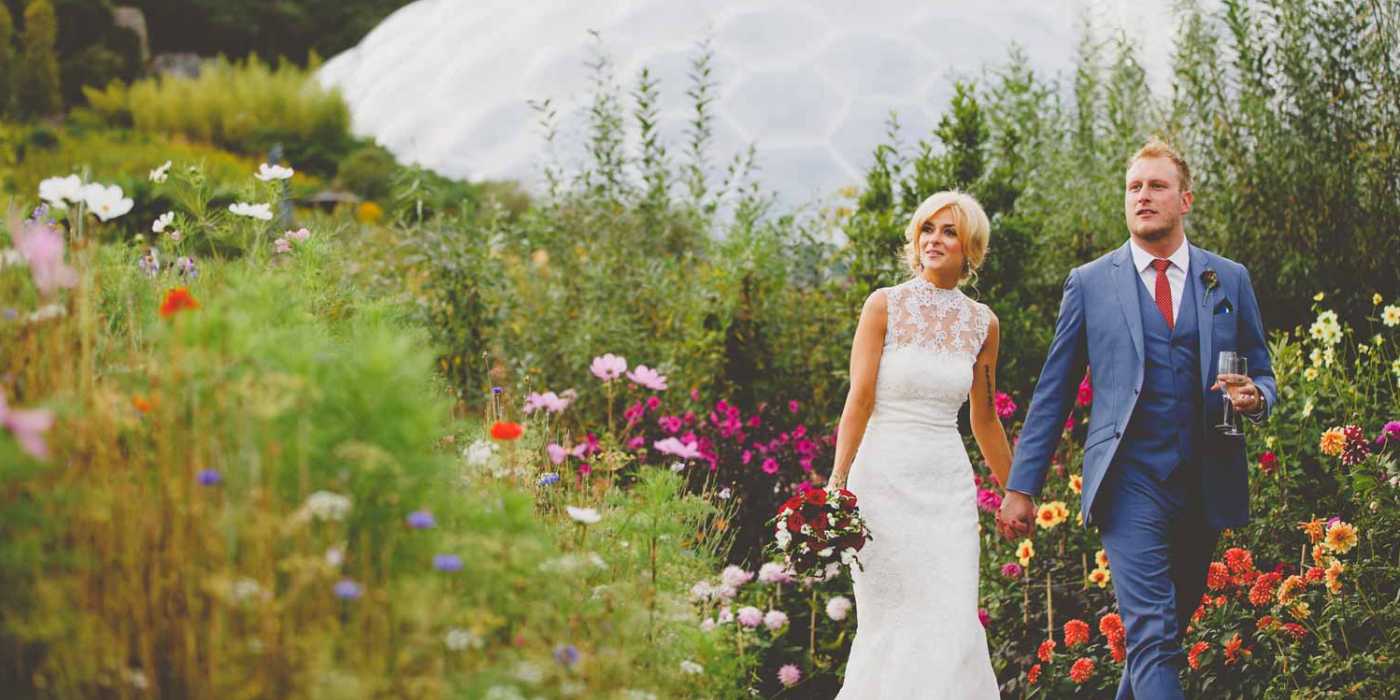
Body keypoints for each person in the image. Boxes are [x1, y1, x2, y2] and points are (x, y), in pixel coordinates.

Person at [996, 140, 1275, 699]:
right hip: (1128, 480)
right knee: (1151, 631)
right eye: (1134, 187)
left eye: (1156, 186)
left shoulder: (1229, 279)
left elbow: (1262, 373)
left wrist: (1256, 397)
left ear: (1186, 199)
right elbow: (1053, 392)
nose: (1142, 196)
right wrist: (1021, 486)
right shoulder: (1091, 282)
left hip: (1203, 478)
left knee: (1165, 633)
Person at [829, 190, 1010, 699]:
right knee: (892, 625)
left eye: (949, 231)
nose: (935, 239)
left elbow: (985, 418)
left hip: (946, 488)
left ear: (970, 248)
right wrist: (837, 483)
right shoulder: (884, 305)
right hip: (882, 482)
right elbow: (859, 399)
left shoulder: (983, 324)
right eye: (927, 229)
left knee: (951, 621)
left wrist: (1017, 492)